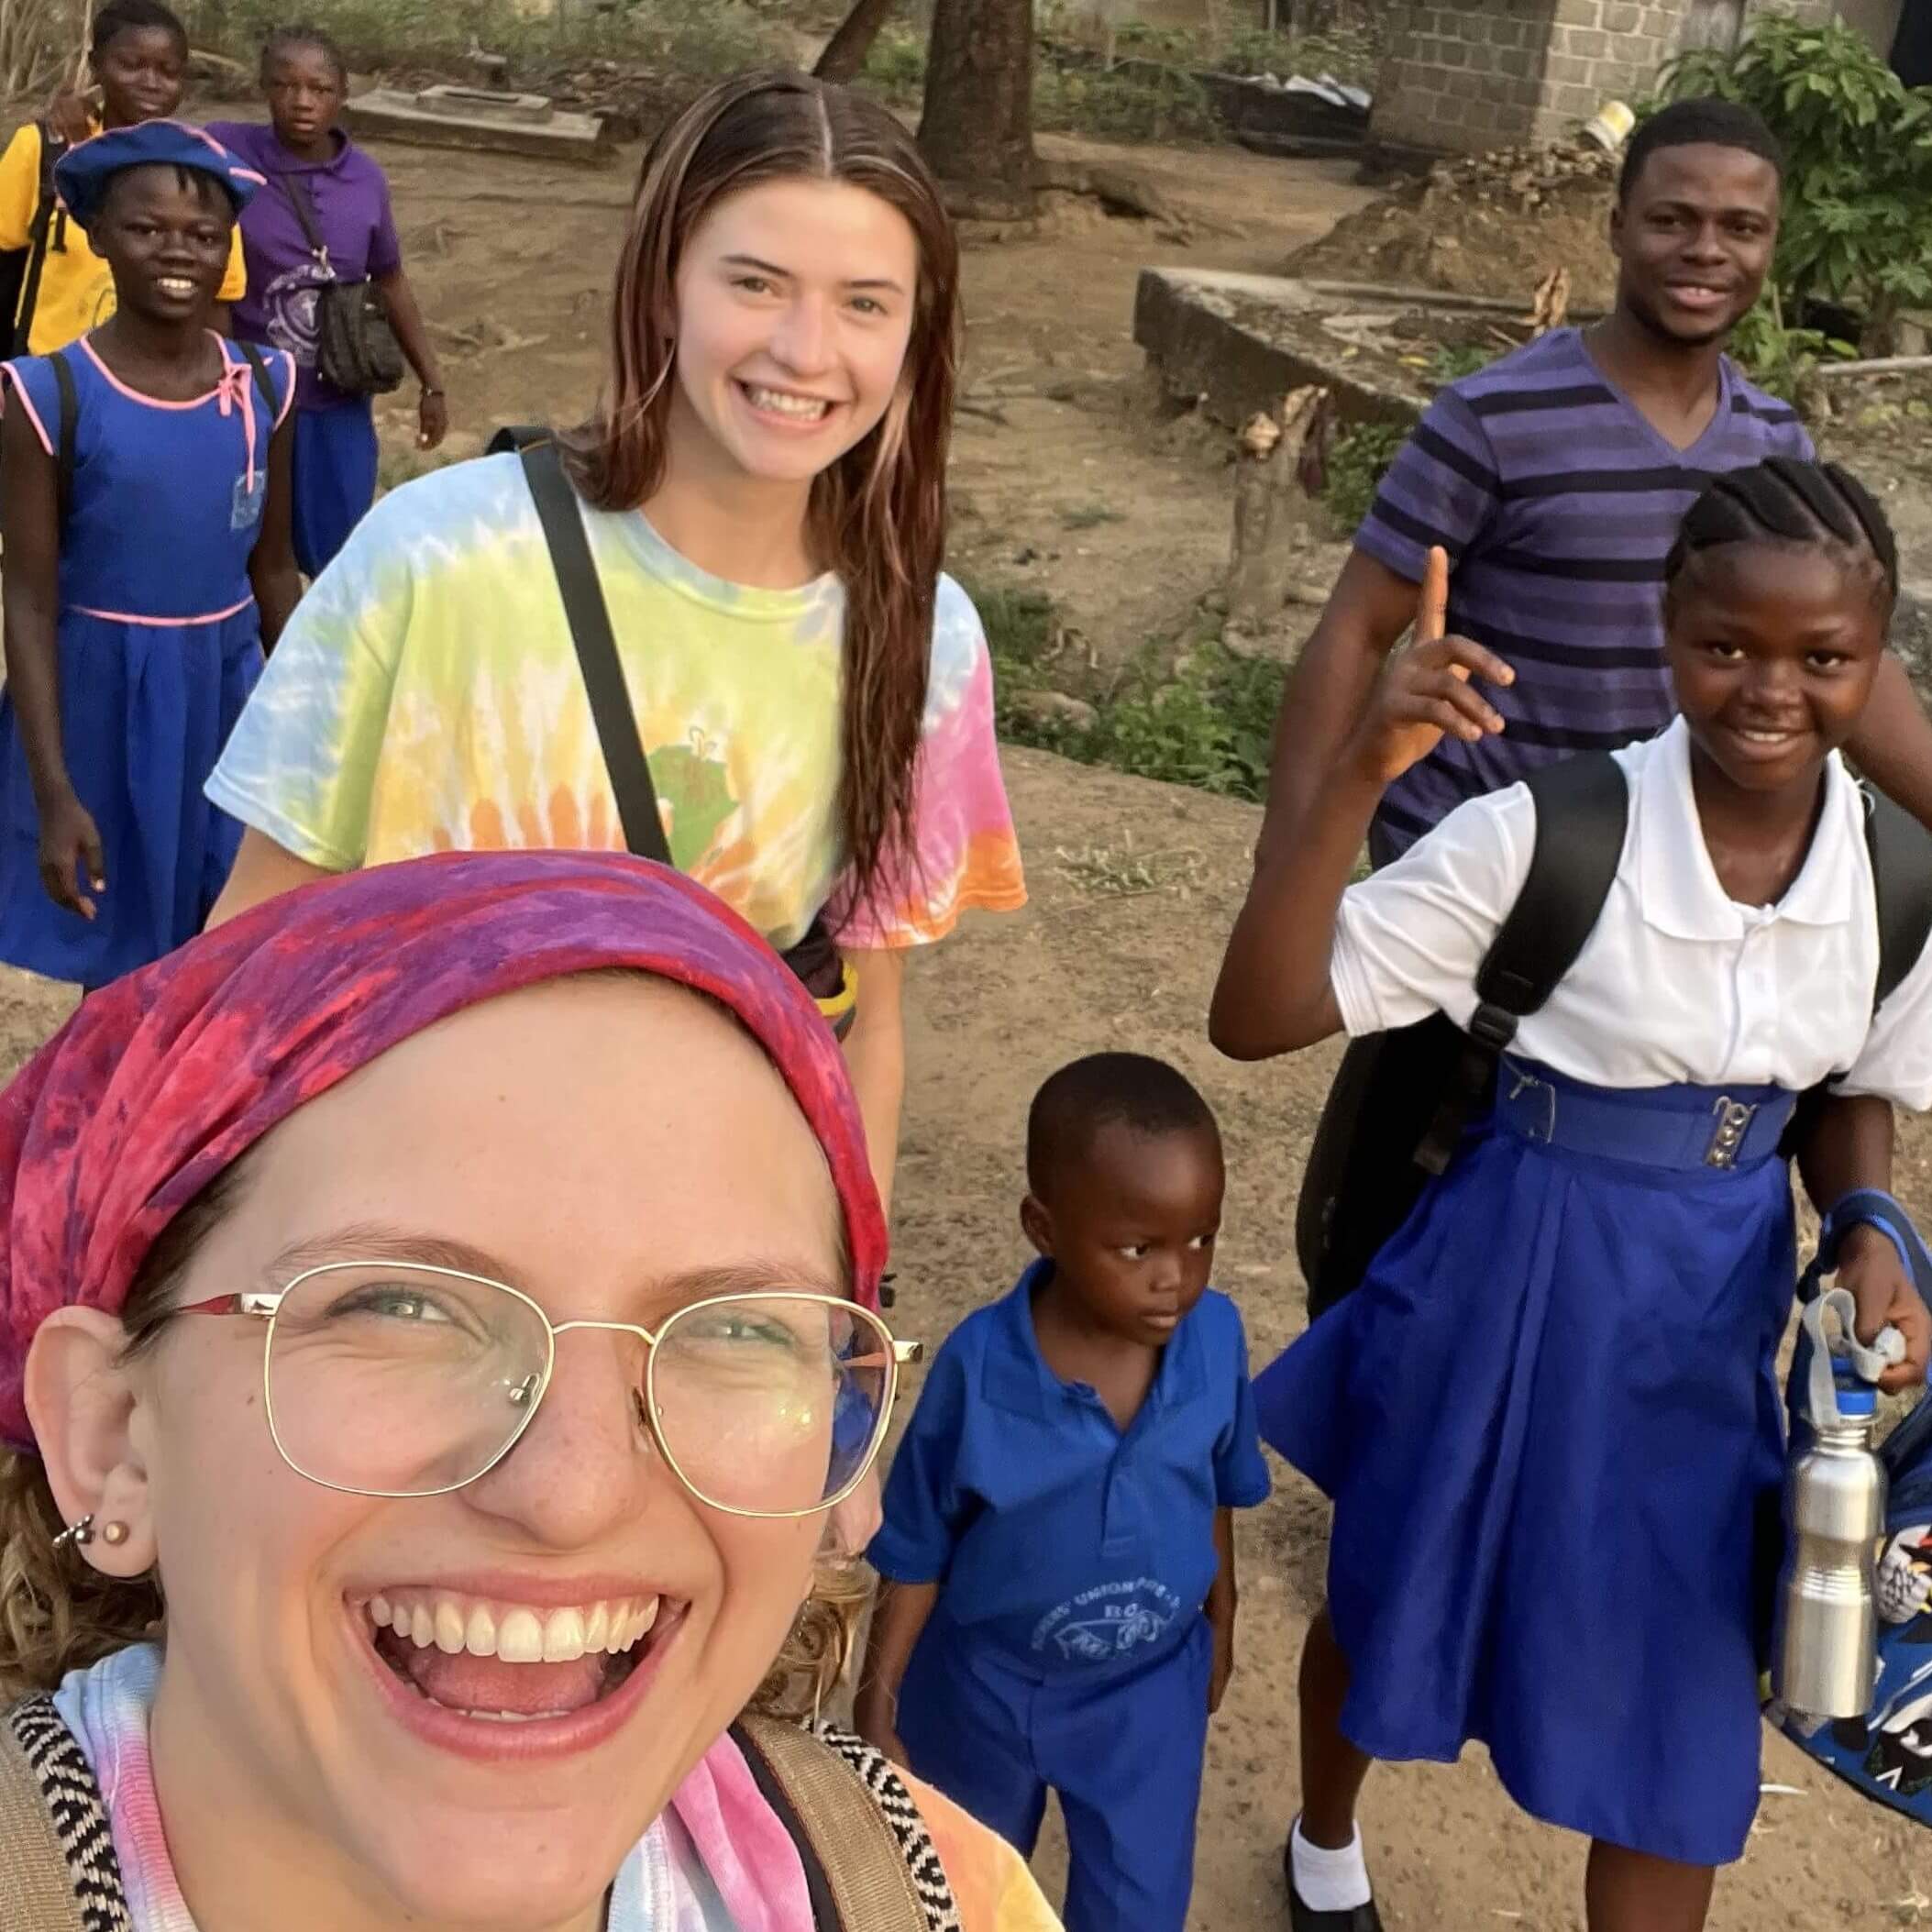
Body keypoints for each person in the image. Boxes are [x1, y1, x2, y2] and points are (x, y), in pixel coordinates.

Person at [0, 848, 1063, 1930]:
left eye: (735, 1327)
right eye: (401, 1308)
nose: (571, 1494)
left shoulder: (942, 1892)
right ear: (113, 1435)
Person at [1209, 460, 1932, 1932]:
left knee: (1680, 1703)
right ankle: (1324, 1836)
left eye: (1821, 657)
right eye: (1724, 644)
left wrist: (1866, 1221)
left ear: (1877, 660)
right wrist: (1358, 767)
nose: (1768, 690)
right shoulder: (1545, 832)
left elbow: (1845, 1089)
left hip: (1703, 1319)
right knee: (1394, 1582)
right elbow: (1256, 1012)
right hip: (1505, 1271)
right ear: (1664, 627)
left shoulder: (1893, 878)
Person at [202, 69, 1025, 1216]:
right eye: (755, 282)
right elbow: (250, 951)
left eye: (865, 304)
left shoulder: (924, 636)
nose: (806, 350)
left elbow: (868, 1021)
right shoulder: (437, 556)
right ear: (663, 286)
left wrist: (842, 1290)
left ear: (915, 334)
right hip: (405, 1217)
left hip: (707, 1236)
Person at [1258, 97, 1932, 872]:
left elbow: (1843, 656)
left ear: (1769, 244)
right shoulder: (1494, 417)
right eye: (1671, 221)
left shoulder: (1774, 443)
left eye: (1740, 228)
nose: (1705, 250)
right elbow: (1355, 632)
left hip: (1655, 874)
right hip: (1471, 863)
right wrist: (1287, 863)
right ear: (1615, 227)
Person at [856, 1053, 1271, 1932]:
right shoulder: (978, 1368)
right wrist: (878, 1692)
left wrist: (1222, 1616)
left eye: (1201, 1237)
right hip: (984, 1683)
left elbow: (1217, 1487)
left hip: (1146, 1689)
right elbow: (919, 1544)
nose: (1177, 1276)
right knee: (962, 1883)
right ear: (1043, 1227)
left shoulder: (1214, 1339)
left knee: (1137, 1902)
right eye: (1138, 1248)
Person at [0, 121, 299, 995]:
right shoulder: (49, 394)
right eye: (145, 229)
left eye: (204, 235)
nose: (178, 252)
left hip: (227, 697)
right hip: (105, 707)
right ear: (97, 237)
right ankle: (116, 1080)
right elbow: (27, 600)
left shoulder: (264, 386)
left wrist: (312, 729)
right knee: (121, 954)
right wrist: (54, 792)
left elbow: (274, 572)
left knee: (228, 934)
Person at [207, 24, 448, 578]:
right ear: (264, 88)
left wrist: (432, 381)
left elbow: (390, 278)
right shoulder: (227, 150)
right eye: (285, 85)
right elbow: (141, 127)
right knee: (244, 558)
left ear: (342, 94)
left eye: (319, 88)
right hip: (251, 404)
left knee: (339, 562)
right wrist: (71, 117)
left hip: (338, 402)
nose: (302, 101)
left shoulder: (364, 179)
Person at [0, 1, 246, 357]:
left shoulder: (205, 170)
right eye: (131, 65)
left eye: (168, 71)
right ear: (95, 65)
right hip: (53, 371)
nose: (151, 83)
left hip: (157, 376)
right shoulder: (45, 148)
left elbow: (218, 301)